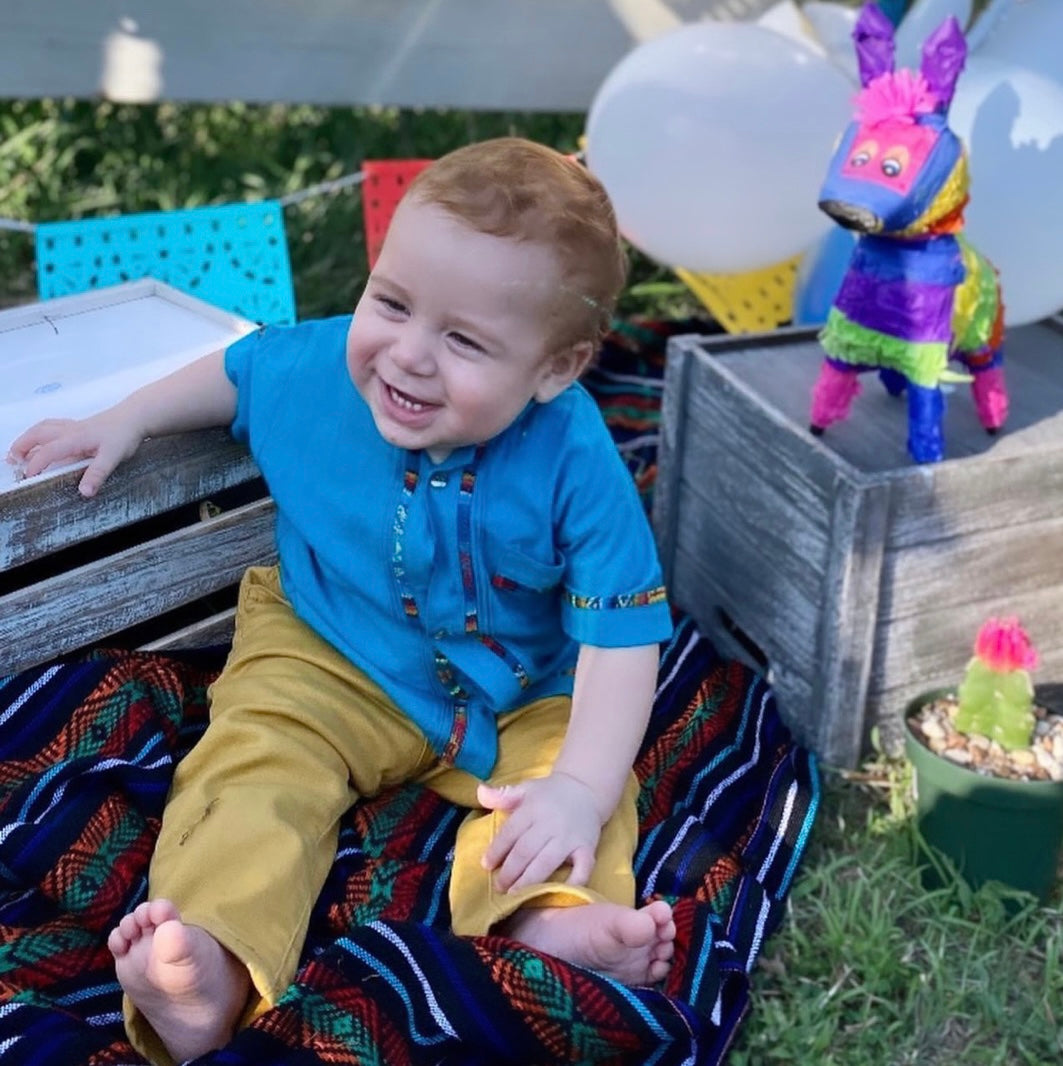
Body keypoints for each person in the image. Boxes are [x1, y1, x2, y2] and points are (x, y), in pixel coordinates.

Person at [7, 137, 676, 1066]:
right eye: (391, 302)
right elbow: (234, 371)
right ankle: (210, 960)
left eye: (464, 340)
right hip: (329, 647)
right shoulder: (318, 370)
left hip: (517, 682)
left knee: (581, 789)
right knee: (251, 768)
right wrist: (124, 414)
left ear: (556, 370)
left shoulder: (577, 458)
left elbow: (620, 638)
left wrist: (576, 786)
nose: (407, 355)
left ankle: (547, 926)